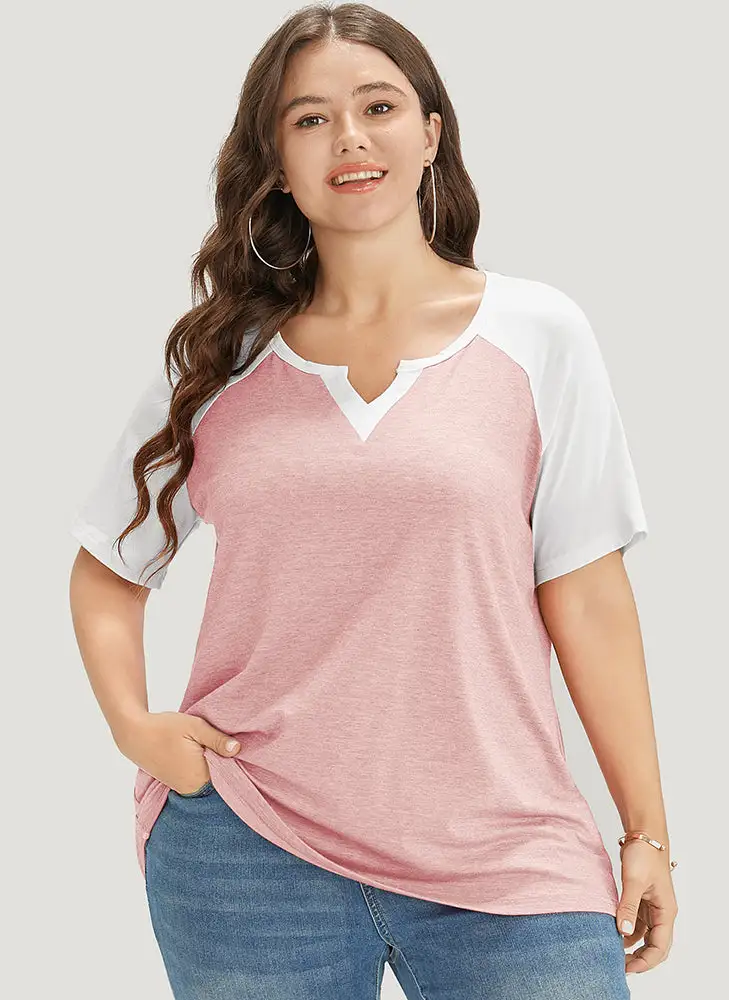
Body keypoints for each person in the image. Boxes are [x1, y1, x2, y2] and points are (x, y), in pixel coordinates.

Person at [68, 3, 678, 997]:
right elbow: (108, 565)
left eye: (378, 107)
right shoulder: (219, 359)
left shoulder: (539, 334)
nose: (348, 138)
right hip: (248, 846)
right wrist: (136, 726)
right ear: (277, 162)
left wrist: (646, 831)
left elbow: (588, 597)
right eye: (309, 119)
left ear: (431, 133)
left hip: (508, 849)